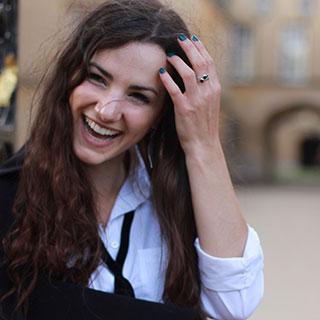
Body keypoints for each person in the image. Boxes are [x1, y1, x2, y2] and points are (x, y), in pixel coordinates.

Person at [0, 0, 264, 319]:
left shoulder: (175, 199)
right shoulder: (10, 195)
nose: (106, 111)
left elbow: (234, 304)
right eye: (97, 78)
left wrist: (203, 143)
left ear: (161, 115)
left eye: (139, 96)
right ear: (70, 78)